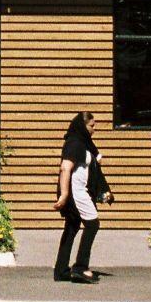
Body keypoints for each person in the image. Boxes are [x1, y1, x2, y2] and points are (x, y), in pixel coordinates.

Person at [52, 112, 112, 283]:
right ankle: (80, 268)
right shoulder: (75, 143)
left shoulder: (83, 143)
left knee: (71, 228)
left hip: (79, 192)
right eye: (91, 126)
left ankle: (61, 270)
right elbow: (65, 168)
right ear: (82, 126)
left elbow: (94, 164)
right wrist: (64, 195)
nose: (94, 130)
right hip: (76, 193)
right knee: (93, 224)